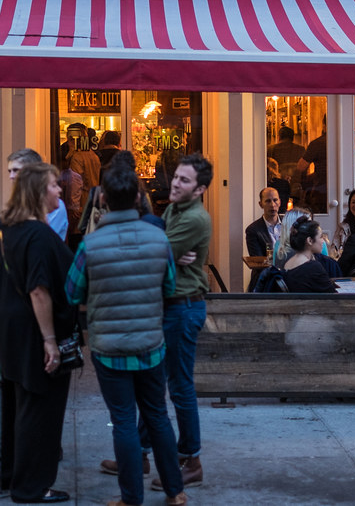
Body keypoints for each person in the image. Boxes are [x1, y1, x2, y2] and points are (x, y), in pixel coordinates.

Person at [65, 165, 188, 506]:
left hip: (108, 347)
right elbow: (169, 286)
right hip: (150, 344)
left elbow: (72, 292)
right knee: (158, 416)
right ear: (138, 197)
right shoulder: (158, 239)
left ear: (102, 199)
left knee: (122, 421)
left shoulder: (90, 244)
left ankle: (130, 497)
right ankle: (175, 491)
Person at [0, 162, 75, 504]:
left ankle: (10, 476)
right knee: (39, 407)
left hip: (7, 331)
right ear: (38, 192)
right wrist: (50, 340)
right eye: (53, 186)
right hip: (32, 333)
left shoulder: (8, 225)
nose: (60, 190)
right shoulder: (36, 234)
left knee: (13, 405)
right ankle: (33, 486)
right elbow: (39, 290)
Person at [150, 152, 213, 492]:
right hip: (170, 306)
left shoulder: (195, 219)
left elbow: (154, 254)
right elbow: (161, 246)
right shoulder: (175, 209)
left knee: (179, 386)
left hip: (183, 308)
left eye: (184, 180)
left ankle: (191, 459)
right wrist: (167, 247)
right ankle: (143, 451)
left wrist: (166, 249)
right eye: (176, 176)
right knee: (153, 381)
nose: (175, 183)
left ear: (200, 189)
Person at [8, 148, 68, 242]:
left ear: (33, 172)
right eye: (10, 171)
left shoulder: (53, 205)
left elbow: (43, 241)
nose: (11, 176)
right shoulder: (15, 206)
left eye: (16, 170)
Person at [283, 217, 338, 293]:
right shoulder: (313, 267)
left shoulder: (287, 264)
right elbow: (333, 296)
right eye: (321, 237)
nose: (323, 241)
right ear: (310, 240)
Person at [245, 187, 282, 287]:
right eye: (268, 201)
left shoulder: (288, 225)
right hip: (266, 279)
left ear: (280, 202)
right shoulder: (253, 230)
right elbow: (259, 262)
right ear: (260, 204)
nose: (272, 205)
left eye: (275, 200)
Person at [295, 118, 327, 213]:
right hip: (345, 186)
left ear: (324, 126)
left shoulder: (317, 143)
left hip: (322, 188)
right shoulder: (347, 141)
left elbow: (301, 166)